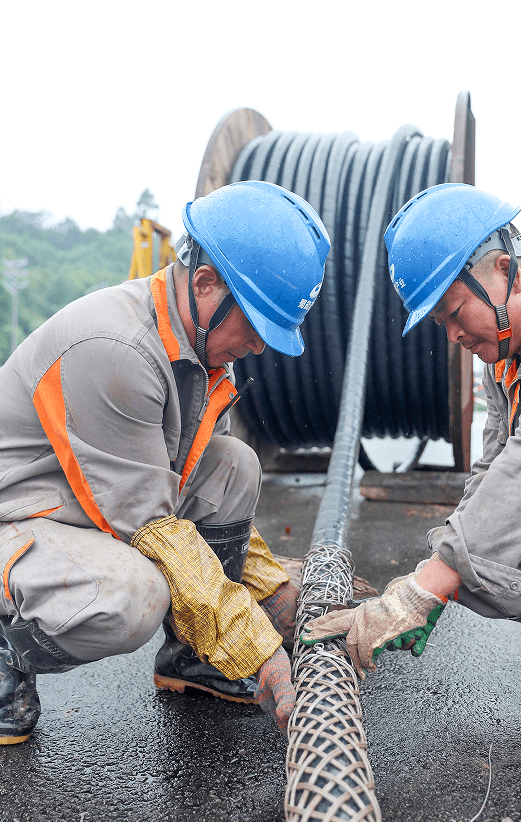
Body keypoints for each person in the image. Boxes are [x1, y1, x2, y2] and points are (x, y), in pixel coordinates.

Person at [303, 182, 521, 792]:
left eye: (454, 313)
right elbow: (491, 474)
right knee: (479, 551)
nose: (452, 335)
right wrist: (439, 578)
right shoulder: (507, 358)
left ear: (505, 272)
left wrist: (422, 590)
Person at [0, 180, 330, 745]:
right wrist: (260, 648)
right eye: (254, 327)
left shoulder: (196, 349)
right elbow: (156, 530)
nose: (259, 347)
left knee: (233, 464)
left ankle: (192, 657)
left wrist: (270, 593)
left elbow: (190, 497)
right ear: (205, 285)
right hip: (22, 511)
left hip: (90, 497)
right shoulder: (117, 349)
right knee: (132, 595)